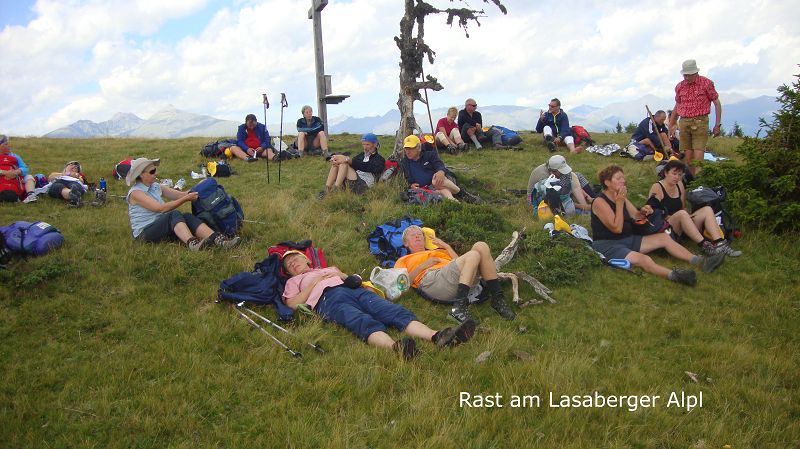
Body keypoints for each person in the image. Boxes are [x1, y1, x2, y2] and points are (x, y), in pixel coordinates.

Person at [281, 250, 476, 359]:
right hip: (329, 299)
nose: (293, 263)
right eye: (289, 265)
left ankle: (437, 336)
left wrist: (341, 275)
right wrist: (314, 283)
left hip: (355, 291)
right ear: (289, 273)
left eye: (295, 259)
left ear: (306, 259)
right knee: (360, 320)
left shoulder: (329, 268)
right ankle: (397, 348)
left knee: (392, 311)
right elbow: (292, 303)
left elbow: (353, 280)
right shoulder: (293, 282)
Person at [590, 164, 726, 286]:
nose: (623, 181)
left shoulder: (621, 197)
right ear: (607, 182)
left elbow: (636, 216)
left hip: (628, 238)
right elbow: (616, 228)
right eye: (618, 178)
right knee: (643, 260)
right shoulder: (600, 202)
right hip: (608, 244)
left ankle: (700, 261)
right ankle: (675, 276)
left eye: (623, 178)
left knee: (664, 238)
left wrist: (645, 211)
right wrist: (619, 203)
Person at [395, 225, 516, 323]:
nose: (417, 236)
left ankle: (498, 299)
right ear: (406, 243)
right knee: (473, 255)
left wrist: (446, 246)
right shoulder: (404, 260)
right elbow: (401, 285)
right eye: (412, 235)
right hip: (432, 280)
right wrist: (423, 265)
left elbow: (461, 264)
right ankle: (458, 308)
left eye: (419, 234)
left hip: (456, 278)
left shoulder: (440, 251)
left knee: (481, 246)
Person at [126, 158, 240, 250]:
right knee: (173, 214)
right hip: (144, 234)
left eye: (155, 170)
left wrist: (199, 186)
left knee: (187, 216)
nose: (156, 173)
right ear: (141, 175)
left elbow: (180, 195)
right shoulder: (136, 193)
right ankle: (192, 244)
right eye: (152, 172)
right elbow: (160, 209)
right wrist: (186, 199)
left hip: (161, 227)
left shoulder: (155, 186)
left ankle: (220, 241)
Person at [648, 160, 741, 256]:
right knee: (681, 214)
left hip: (682, 222)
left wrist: (688, 218)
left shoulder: (679, 185)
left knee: (707, 209)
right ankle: (705, 246)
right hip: (666, 228)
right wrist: (677, 217)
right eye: (674, 174)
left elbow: (683, 207)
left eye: (679, 175)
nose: (677, 177)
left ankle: (720, 244)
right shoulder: (657, 187)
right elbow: (654, 213)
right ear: (666, 173)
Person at [668, 60, 722, 176]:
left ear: (695, 73)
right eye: (685, 75)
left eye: (689, 75)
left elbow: (717, 103)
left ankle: (699, 182)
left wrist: (717, 125)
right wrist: (671, 125)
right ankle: (693, 180)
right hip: (684, 122)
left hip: (700, 121)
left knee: (698, 157)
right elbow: (677, 106)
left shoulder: (706, 83)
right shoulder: (680, 86)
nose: (687, 78)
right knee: (688, 158)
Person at [399, 135, 477, 202]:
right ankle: (457, 203)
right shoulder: (405, 162)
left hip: (445, 180)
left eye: (411, 148)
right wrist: (411, 185)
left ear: (418, 148)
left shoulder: (429, 155)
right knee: (444, 192)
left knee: (436, 181)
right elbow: (407, 178)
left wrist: (441, 171)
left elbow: (439, 164)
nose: (408, 152)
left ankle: (462, 194)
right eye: (406, 148)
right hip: (429, 188)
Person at [318, 133, 386, 199]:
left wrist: (348, 160)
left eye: (367, 144)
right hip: (354, 181)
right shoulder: (360, 156)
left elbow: (368, 167)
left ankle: (336, 189)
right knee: (337, 164)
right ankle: (327, 190)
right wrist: (337, 160)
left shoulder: (379, 159)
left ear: (375, 144)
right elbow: (353, 164)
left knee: (344, 163)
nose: (365, 147)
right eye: (363, 144)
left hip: (364, 186)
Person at [526, 154, 595, 215]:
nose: (563, 173)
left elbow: (575, 185)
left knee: (576, 175)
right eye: (561, 171)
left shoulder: (554, 170)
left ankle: (593, 200)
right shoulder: (544, 179)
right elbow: (558, 202)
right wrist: (581, 206)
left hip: (554, 194)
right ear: (553, 171)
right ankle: (588, 206)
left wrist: (586, 199)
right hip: (541, 199)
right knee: (567, 209)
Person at [0, 135, 37, 203]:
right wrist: (4, 172)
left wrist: (17, 172)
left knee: (29, 177)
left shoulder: (15, 156)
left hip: (16, 176)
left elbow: (25, 168)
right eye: (6, 144)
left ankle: (30, 194)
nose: (9, 146)